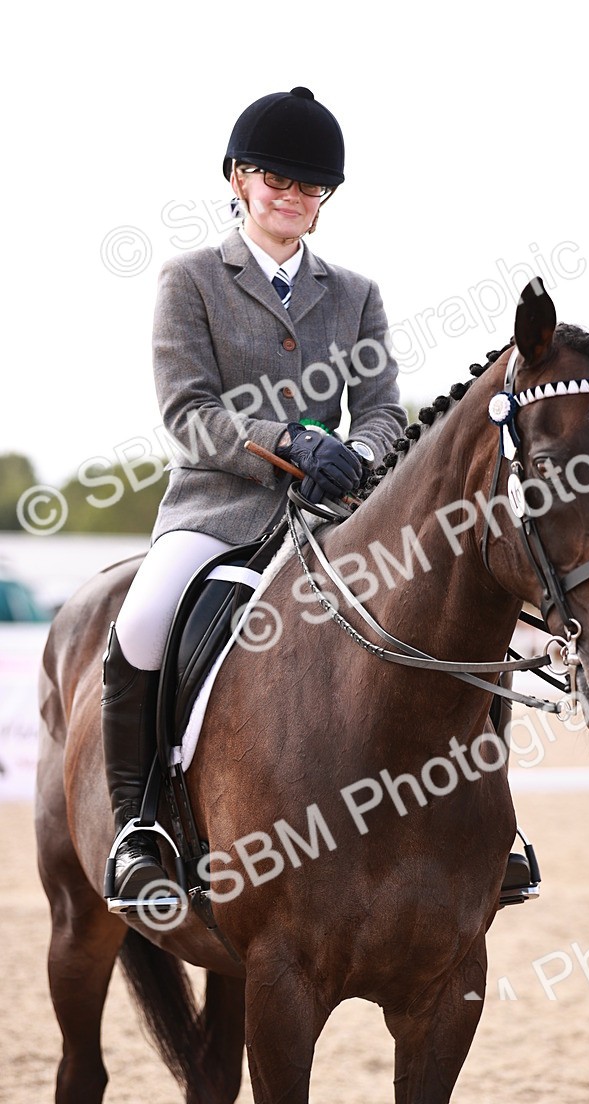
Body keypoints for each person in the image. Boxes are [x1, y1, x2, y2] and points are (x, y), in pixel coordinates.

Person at [103, 86, 407, 901]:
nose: (296, 199)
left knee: (443, 599)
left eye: (312, 188)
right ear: (238, 178)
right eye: (279, 181)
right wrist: (287, 446)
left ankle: (487, 827)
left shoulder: (356, 294)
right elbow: (187, 412)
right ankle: (138, 825)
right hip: (218, 509)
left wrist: (356, 453)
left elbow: (382, 410)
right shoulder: (191, 280)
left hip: (336, 516)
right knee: (141, 622)